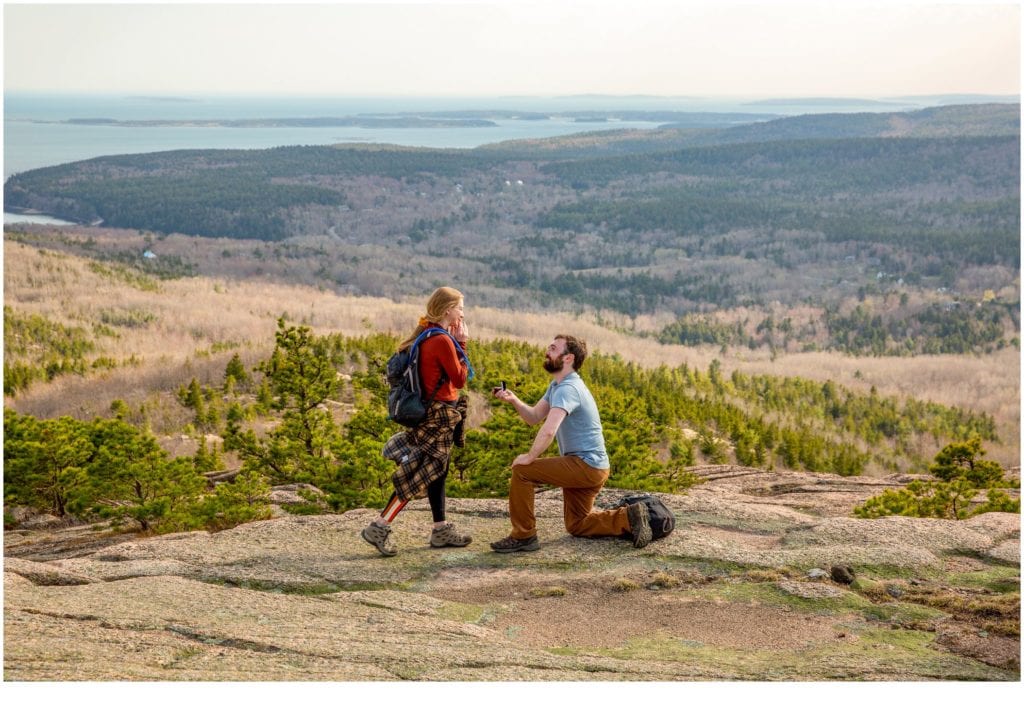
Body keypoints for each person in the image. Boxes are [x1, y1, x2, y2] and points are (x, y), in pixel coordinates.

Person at [489, 334, 652, 553]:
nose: (547, 351)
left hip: (586, 465)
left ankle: (524, 536)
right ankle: (628, 517)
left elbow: (548, 430)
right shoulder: (557, 385)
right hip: (591, 467)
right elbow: (534, 417)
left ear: (568, 358)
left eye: (554, 348)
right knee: (577, 524)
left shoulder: (568, 389)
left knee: (522, 470)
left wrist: (529, 458)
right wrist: (513, 400)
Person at [361, 286, 474, 557]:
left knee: (437, 472)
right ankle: (378, 527)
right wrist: (462, 343)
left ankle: (441, 529)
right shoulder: (443, 340)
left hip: (431, 413)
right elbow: (460, 378)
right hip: (439, 416)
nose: (462, 313)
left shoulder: (426, 335)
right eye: (460, 308)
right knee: (419, 473)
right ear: (447, 310)